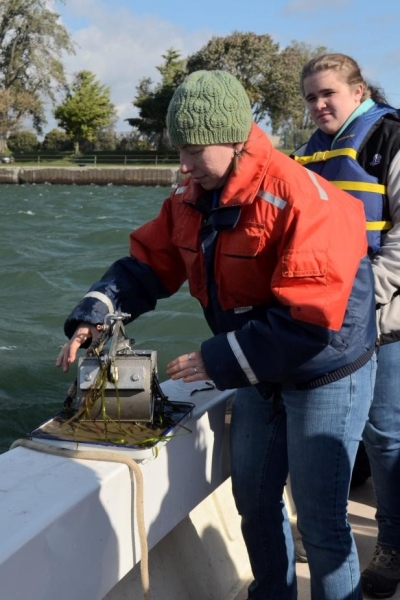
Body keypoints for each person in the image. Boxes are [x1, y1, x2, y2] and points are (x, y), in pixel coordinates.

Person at [57, 69, 377, 600]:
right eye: (177, 148)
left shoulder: (304, 198)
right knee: (253, 502)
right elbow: (147, 265)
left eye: (193, 150)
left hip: (327, 370)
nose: (182, 164)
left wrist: (217, 358)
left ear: (233, 138)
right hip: (257, 367)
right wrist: (96, 314)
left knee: (321, 524)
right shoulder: (190, 194)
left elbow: (310, 320)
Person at [294, 52, 400, 599]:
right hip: (329, 323)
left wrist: (360, 306)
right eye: (311, 97)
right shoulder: (310, 152)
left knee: (387, 437)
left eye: (328, 94)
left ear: (358, 91)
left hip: (383, 321)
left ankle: (394, 545)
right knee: (334, 433)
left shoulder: (390, 140)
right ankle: (320, 528)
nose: (318, 105)